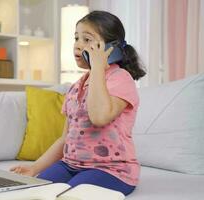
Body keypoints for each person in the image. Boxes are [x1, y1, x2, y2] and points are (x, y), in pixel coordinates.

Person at [10, 10, 146, 196]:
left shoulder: (121, 79)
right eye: (76, 38)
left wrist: (98, 67)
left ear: (110, 48)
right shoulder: (75, 87)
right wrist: (35, 168)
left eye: (87, 40)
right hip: (70, 165)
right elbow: (65, 138)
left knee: (70, 194)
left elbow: (99, 117)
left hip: (111, 170)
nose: (78, 45)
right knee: (35, 191)